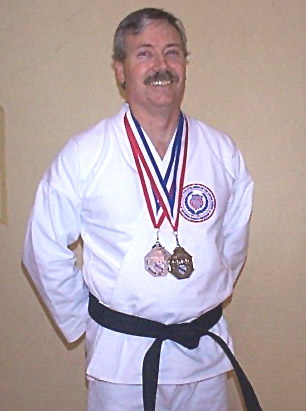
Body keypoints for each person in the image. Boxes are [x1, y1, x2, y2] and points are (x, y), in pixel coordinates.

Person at [23, 7, 261, 411]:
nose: (161, 65)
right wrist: (89, 320)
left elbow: (232, 244)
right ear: (120, 70)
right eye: (144, 53)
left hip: (202, 352)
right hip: (123, 360)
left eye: (172, 52)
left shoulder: (221, 152)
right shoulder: (86, 153)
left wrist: (199, 291)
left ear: (184, 64)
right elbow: (42, 247)